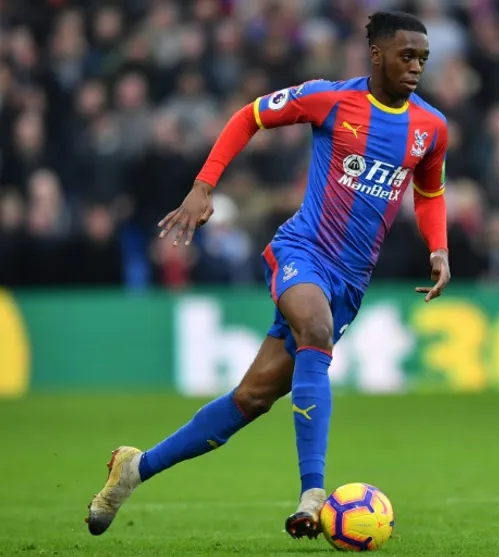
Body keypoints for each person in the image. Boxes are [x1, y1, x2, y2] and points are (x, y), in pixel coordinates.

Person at [86, 11, 451, 541]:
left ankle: (133, 470)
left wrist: (439, 248)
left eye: (423, 58)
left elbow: (431, 192)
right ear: (377, 55)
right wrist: (204, 186)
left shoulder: (431, 127)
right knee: (316, 331)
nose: (416, 66)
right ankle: (313, 493)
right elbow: (249, 116)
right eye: (407, 55)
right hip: (302, 250)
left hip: (350, 281)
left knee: (252, 398)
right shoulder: (330, 99)